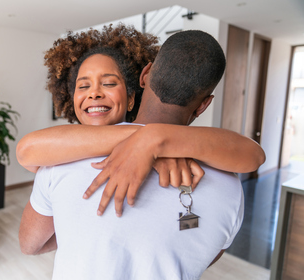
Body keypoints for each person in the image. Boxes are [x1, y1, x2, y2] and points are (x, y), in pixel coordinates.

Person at [18, 30, 264, 279]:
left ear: (143, 78)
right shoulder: (232, 191)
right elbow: (204, 258)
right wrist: (151, 139)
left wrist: (153, 138)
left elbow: (30, 244)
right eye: (84, 85)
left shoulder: (60, 164)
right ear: (204, 104)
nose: (94, 93)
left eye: (109, 82)